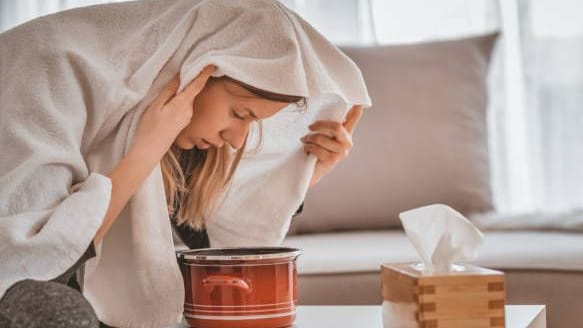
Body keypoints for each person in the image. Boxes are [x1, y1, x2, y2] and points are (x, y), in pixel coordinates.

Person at [0, 1, 370, 327]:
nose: (237, 138)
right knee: (55, 312)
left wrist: (303, 173)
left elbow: (217, 245)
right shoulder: (50, 70)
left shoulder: (178, 136)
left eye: (253, 122)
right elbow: (38, 267)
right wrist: (146, 149)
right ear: (196, 72)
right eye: (239, 113)